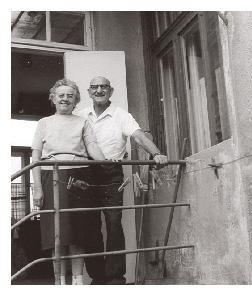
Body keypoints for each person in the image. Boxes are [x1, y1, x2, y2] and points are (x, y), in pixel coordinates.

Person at [78, 76, 168, 285]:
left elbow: (139, 137)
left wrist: (156, 154)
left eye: (104, 87)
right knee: (90, 225)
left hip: (111, 173)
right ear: (89, 92)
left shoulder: (121, 115)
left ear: (111, 91)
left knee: (113, 223)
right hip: (87, 172)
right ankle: (97, 278)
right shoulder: (81, 115)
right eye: (95, 87)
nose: (99, 90)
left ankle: (115, 278)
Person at [31, 78, 107, 285]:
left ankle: (77, 280)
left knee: (78, 231)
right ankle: (59, 281)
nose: (65, 99)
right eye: (61, 95)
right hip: (51, 175)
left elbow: (91, 146)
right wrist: (37, 189)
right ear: (53, 99)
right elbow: (36, 157)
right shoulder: (44, 123)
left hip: (80, 175)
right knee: (57, 232)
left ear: (76, 101)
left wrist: (106, 162)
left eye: (70, 96)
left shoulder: (82, 122)